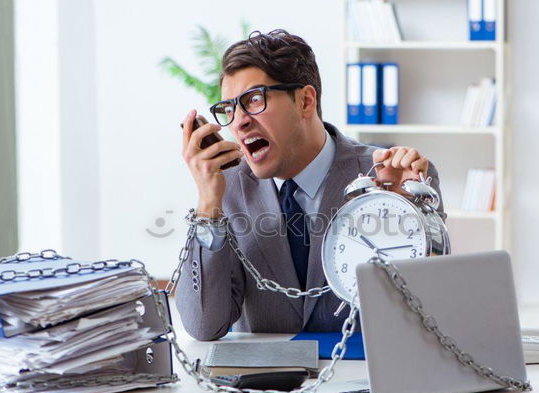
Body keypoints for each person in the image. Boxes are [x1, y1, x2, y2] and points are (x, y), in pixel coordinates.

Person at [177, 29, 445, 341]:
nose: (239, 121)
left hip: (368, 380)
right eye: (230, 109)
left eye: (254, 100)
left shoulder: (394, 177)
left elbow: (425, 316)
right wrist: (208, 205)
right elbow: (203, 325)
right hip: (267, 384)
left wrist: (402, 212)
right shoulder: (227, 188)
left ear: (305, 101)